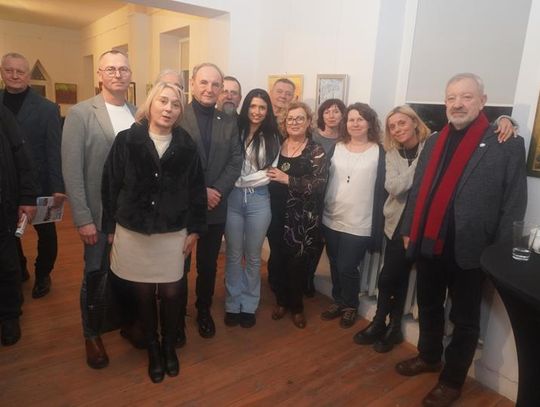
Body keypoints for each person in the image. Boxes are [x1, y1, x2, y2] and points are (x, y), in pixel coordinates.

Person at [396, 73, 527, 407]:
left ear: (483, 101)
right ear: (445, 102)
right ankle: (429, 357)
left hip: (472, 249)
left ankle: (452, 381)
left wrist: (500, 255)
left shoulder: (505, 141)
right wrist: (409, 227)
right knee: (428, 305)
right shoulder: (434, 141)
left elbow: (514, 203)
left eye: (466, 97)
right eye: (452, 97)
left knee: (465, 320)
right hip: (428, 242)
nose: (458, 104)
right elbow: (417, 190)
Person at [353, 106, 518, 354]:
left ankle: (393, 327)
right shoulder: (395, 153)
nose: (397, 129)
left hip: (426, 227)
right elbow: (394, 187)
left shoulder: (434, 144)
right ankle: (382, 323)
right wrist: (422, 167)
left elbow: (473, 125)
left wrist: (506, 119)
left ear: (415, 122)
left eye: (402, 123)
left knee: (410, 282)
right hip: (397, 225)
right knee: (390, 278)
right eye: (392, 126)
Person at [102, 81, 207, 383]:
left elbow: (197, 191)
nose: (168, 108)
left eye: (175, 104)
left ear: (180, 111)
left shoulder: (186, 145)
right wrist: (110, 228)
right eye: (163, 101)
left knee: (173, 291)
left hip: (173, 232)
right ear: (150, 104)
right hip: (133, 230)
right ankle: (152, 347)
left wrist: (195, 229)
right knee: (144, 293)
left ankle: (168, 344)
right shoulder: (127, 140)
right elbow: (109, 185)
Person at [62, 50, 137, 369]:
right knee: (96, 275)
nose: (118, 74)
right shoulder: (81, 114)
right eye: (111, 69)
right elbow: (72, 170)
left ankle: (127, 323)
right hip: (98, 214)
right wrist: (83, 219)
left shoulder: (138, 112)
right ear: (99, 75)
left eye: (123, 69)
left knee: (128, 273)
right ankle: (92, 334)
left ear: (130, 74)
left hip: (131, 217)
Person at [180, 63, 242, 339]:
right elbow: (170, 161)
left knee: (207, 265)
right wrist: (199, 192)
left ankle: (203, 310)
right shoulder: (177, 115)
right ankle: (177, 313)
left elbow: (235, 160)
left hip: (216, 205)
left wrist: (216, 190)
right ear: (192, 83)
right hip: (183, 206)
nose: (209, 89)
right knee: (180, 263)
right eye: (204, 82)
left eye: (215, 84)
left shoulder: (228, 121)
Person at [0, 52, 65, 299]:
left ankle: (43, 274)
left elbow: (53, 149)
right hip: (6, 183)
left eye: (20, 71)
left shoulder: (47, 109)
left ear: (28, 75)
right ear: (2, 72)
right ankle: (19, 268)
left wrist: (58, 186)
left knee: (46, 235)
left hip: (40, 184)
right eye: (9, 70)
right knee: (8, 231)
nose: (15, 75)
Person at [320, 103, 386, 329]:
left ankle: (350, 305)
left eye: (360, 119)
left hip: (360, 221)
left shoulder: (379, 152)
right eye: (351, 119)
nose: (355, 123)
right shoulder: (337, 147)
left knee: (347, 266)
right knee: (335, 263)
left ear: (370, 123)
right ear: (345, 123)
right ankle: (338, 301)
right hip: (331, 217)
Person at [267, 101, 328, 329]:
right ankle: (281, 301)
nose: (294, 123)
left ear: (308, 122)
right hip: (274, 212)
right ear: (284, 123)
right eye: (290, 119)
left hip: (301, 217)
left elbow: (319, 183)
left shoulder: (315, 150)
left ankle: (297, 307)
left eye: (300, 118)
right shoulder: (277, 144)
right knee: (278, 258)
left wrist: (288, 179)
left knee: (297, 263)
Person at [224, 89, 281, 328]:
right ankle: (232, 303)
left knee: (254, 256)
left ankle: (248, 304)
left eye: (262, 108)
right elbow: (227, 163)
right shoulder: (234, 130)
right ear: (246, 107)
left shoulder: (274, 137)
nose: (257, 112)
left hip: (259, 200)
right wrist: (238, 180)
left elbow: (269, 173)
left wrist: (239, 179)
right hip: (233, 199)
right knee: (234, 254)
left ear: (267, 111)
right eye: (253, 106)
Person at [0, 104, 37, 346]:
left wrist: (27, 197)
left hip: (3, 205)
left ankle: (9, 315)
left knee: (6, 263)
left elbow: (23, 157)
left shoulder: (3, 114)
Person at [305, 98, 347, 296]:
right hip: (310, 196)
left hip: (334, 197)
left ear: (343, 115)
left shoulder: (346, 140)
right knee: (309, 239)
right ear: (321, 115)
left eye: (336, 111)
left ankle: (310, 278)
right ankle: (304, 279)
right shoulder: (312, 137)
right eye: (327, 111)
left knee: (323, 241)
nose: (331, 115)